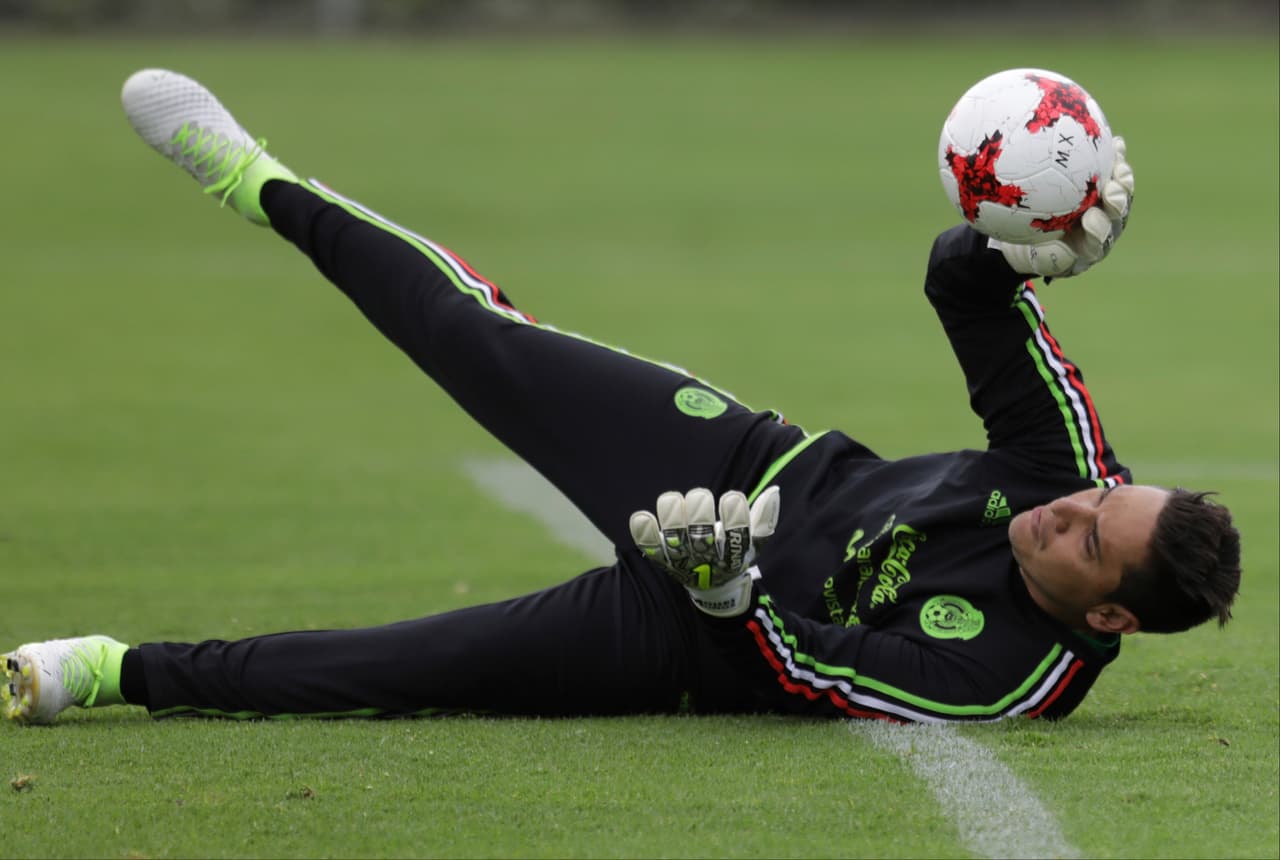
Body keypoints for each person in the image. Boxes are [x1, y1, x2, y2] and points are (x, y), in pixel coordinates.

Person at [3, 69, 1241, 726]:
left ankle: (111, 671)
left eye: (1089, 537)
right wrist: (1022, 255)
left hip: (691, 634)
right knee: (473, 334)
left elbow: (821, 674)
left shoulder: (1016, 678)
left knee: (383, 666)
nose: (1063, 510)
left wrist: (724, 593)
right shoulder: (1067, 460)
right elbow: (954, 291)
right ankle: (247, 171)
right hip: (754, 464)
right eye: (1096, 495)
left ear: (1112, 619)